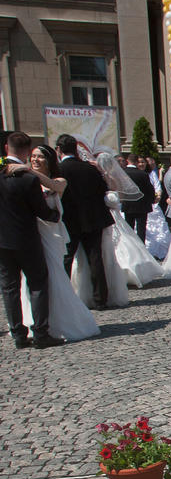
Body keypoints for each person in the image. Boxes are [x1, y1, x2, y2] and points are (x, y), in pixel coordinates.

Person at [0, 133, 66, 348]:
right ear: (28, 152)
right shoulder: (28, 179)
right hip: (26, 238)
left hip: (2, 240)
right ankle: (40, 333)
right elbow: (41, 211)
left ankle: (18, 335)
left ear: (6, 148)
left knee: (9, 287)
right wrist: (55, 216)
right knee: (37, 283)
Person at [56, 133, 114, 309]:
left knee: (66, 259)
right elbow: (104, 190)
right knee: (95, 258)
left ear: (58, 150)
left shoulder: (58, 170)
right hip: (92, 219)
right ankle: (100, 299)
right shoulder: (90, 168)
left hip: (69, 220)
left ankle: (63, 298)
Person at [95, 153, 163, 289]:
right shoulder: (136, 174)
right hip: (133, 208)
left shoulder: (118, 175)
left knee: (127, 233)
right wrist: (151, 200)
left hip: (123, 209)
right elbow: (147, 190)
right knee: (136, 233)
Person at [122, 153, 155, 242]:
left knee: (129, 229)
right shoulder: (143, 174)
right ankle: (141, 247)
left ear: (127, 161)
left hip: (127, 204)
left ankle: (130, 246)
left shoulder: (123, 173)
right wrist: (152, 200)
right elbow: (149, 189)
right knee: (141, 230)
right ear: (137, 162)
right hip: (142, 206)